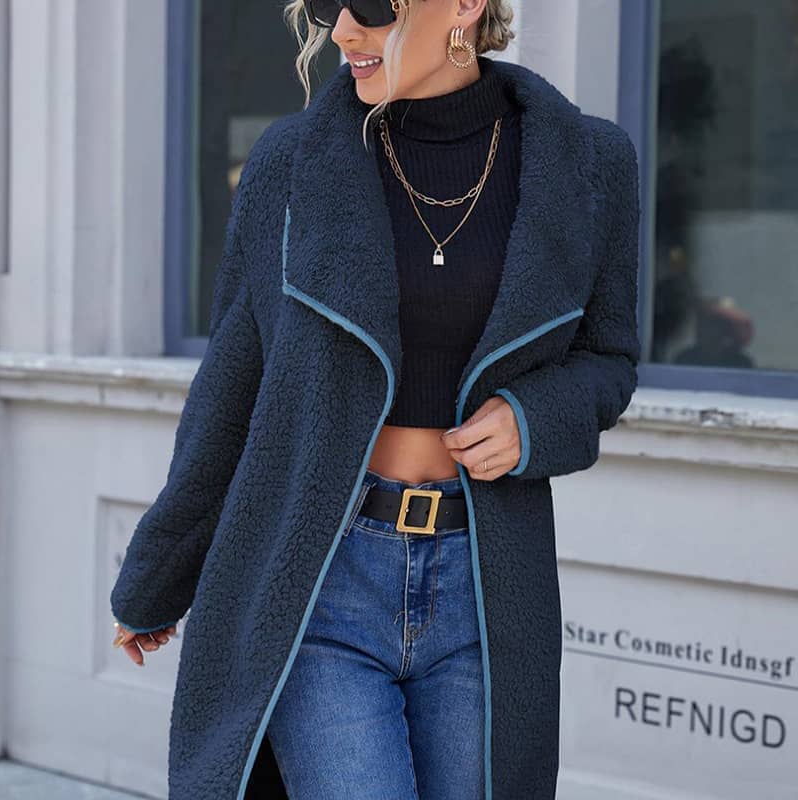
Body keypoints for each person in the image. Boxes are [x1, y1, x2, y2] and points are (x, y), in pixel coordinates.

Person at [110, 0, 642, 798]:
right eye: (327, 7)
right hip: (323, 577)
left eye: (371, 7)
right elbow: (231, 387)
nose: (344, 32)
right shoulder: (293, 164)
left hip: (485, 585)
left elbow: (608, 360)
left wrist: (534, 419)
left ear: (465, 5)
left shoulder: (588, 162)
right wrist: (156, 576)